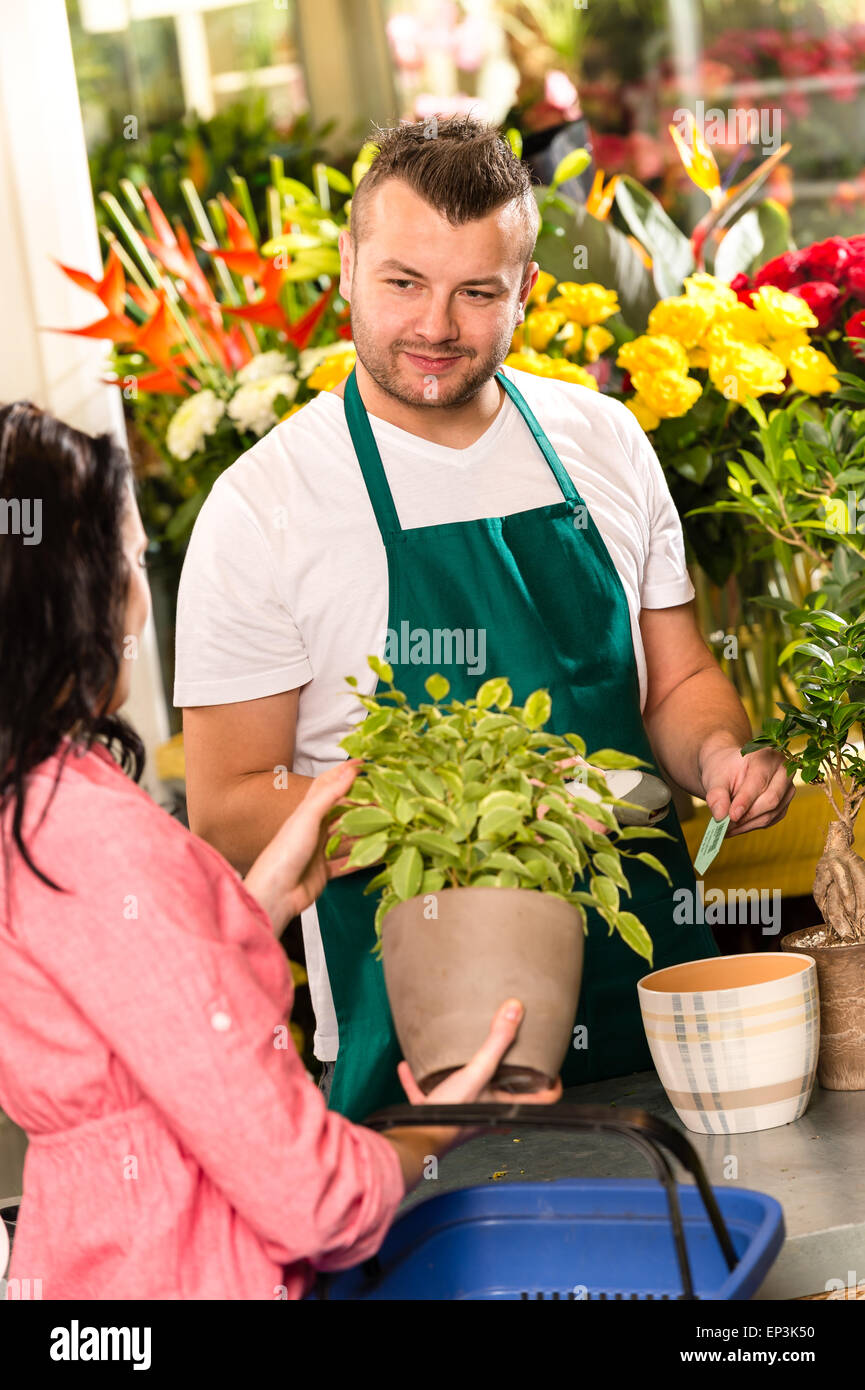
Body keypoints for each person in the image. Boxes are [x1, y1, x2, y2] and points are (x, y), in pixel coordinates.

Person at [175, 115, 794, 1125]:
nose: (435, 326)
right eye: (403, 283)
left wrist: (722, 752)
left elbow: (676, 683)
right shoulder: (266, 505)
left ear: (526, 292)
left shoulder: (601, 439)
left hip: (651, 985)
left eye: (476, 292)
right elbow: (229, 803)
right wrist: (474, 800)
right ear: (347, 270)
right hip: (426, 1038)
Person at [0, 401, 559, 1301]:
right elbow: (311, 1199)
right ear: (75, 598)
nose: (142, 592)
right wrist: (443, 1126)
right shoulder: (90, 835)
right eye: (132, 561)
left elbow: (120, 1014)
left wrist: (247, 909)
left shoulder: (29, 803)